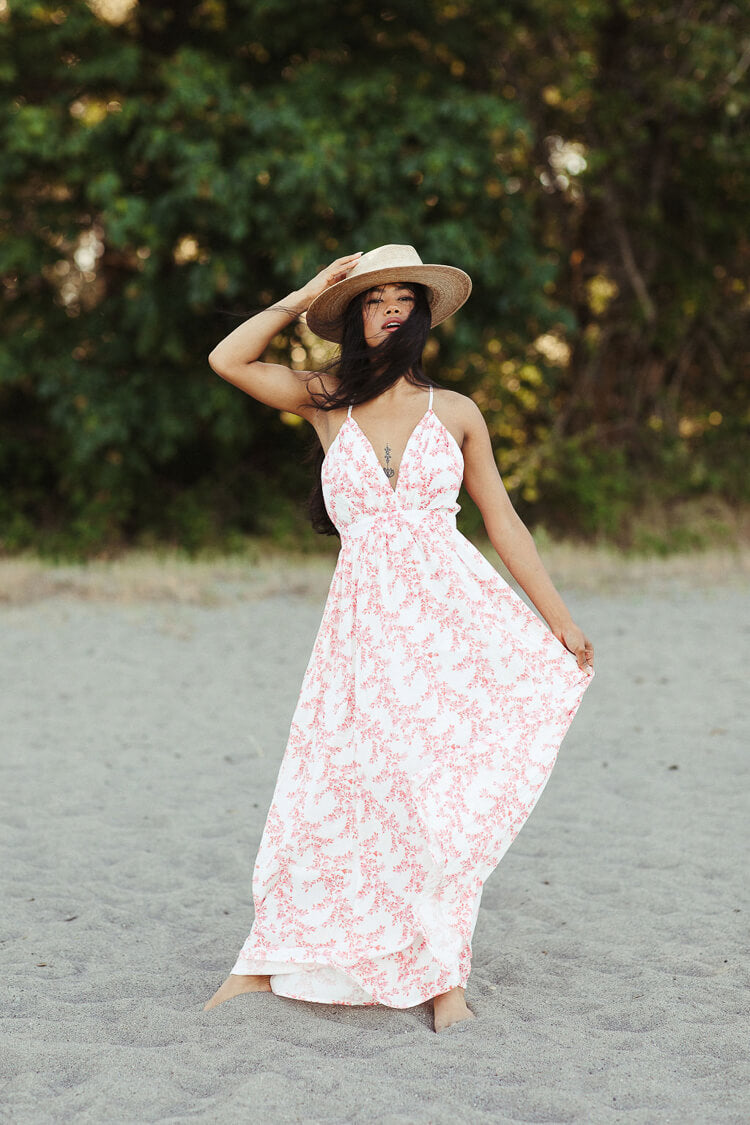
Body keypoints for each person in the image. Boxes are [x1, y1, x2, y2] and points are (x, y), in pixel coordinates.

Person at [204, 245, 595, 1033]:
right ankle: (263, 959)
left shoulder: (457, 412)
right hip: (361, 632)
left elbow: (502, 521)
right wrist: (306, 292)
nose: (389, 308)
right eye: (373, 298)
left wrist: (559, 617)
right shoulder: (326, 400)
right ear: (356, 316)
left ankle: (444, 978)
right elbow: (228, 359)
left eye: (403, 298)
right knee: (326, 784)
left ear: (421, 315)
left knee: (433, 799)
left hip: (450, 628)